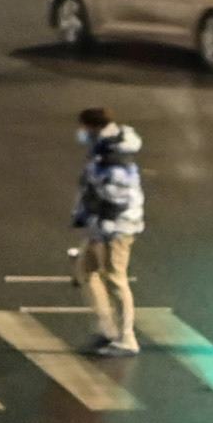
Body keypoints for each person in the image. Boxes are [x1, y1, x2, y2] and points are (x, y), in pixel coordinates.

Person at [70, 107, 146, 353]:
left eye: (83, 127)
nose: (80, 133)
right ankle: (107, 329)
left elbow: (114, 200)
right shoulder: (104, 151)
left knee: (115, 279)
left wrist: (98, 223)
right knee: (86, 271)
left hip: (117, 229)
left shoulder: (113, 159)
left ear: (92, 128)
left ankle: (127, 338)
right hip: (100, 227)